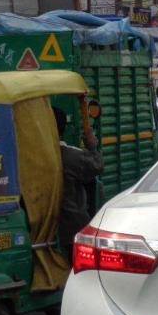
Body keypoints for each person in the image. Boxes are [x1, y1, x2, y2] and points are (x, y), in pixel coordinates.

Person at [54, 107, 103, 252]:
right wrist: (92, 146)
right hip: (71, 229)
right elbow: (97, 165)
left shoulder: (32, 157)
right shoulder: (70, 156)